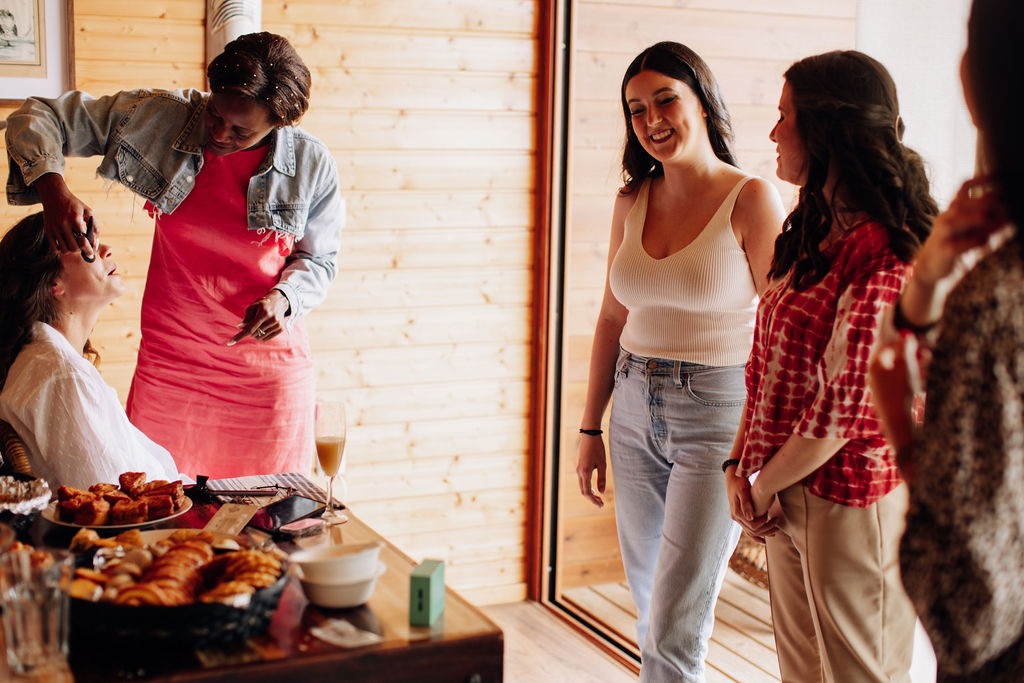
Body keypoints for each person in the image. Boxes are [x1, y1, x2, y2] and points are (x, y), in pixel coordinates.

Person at [4, 32, 343, 479]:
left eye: (241, 130)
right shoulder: (160, 118)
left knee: (266, 524)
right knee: (155, 501)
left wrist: (284, 300)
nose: (219, 133)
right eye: (215, 114)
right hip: (171, 364)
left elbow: (319, 261)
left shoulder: (312, 165)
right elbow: (37, 116)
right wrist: (52, 189)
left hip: (265, 377)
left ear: (278, 123)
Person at [724, 51, 939, 682]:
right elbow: (763, 369)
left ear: (825, 129)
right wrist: (741, 463)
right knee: (803, 675)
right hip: (785, 489)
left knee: (861, 676)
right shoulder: (812, 229)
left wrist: (761, 485)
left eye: (784, 115)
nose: (771, 133)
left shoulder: (885, 253)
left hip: (848, 498)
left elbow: (844, 409)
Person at [574, 41, 785, 681]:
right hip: (633, 408)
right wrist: (590, 429)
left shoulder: (750, 198)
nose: (652, 119)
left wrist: (762, 447)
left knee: (675, 625)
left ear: (702, 98)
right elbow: (612, 319)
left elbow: (778, 332)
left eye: (666, 98)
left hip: (717, 416)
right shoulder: (631, 200)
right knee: (648, 610)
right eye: (636, 109)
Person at [870, 1, 1024, 679]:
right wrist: (925, 290)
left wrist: (904, 430)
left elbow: (967, 603)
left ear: (971, 80)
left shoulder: (995, 302)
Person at [0, 212, 180, 489]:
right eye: (88, 246)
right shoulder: (60, 374)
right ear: (53, 284)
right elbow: (107, 492)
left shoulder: (52, 360)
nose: (107, 250)